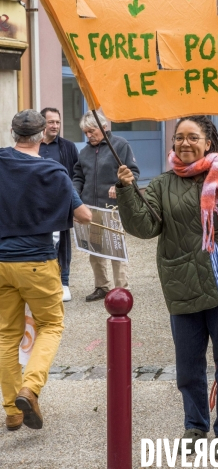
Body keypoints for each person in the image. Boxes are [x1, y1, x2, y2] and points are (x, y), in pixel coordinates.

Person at [115, 115, 218, 454]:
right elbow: (144, 227)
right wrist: (127, 192)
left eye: (193, 137)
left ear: (207, 142)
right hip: (181, 284)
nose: (185, 143)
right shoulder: (160, 185)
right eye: (179, 137)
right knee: (188, 365)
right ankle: (195, 427)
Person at [0, 110, 92, 432]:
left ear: (13, 134)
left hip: (1, 263)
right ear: (41, 136)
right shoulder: (54, 170)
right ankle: (31, 388)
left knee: (6, 335)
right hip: (37, 261)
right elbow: (83, 216)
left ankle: (12, 411)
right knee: (51, 325)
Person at [73, 110, 140, 302]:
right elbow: (78, 176)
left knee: (116, 249)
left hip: (113, 208)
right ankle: (102, 286)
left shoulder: (120, 145)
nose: (89, 135)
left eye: (92, 131)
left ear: (104, 127)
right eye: (86, 132)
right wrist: (76, 195)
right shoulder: (84, 152)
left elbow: (133, 173)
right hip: (90, 208)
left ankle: (122, 290)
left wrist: (118, 186)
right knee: (94, 249)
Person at [40, 107, 79, 302]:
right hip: (37, 206)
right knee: (42, 242)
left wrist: (76, 198)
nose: (55, 126)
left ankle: (64, 283)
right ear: (42, 124)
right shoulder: (34, 146)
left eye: (57, 122)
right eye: (51, 122)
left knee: (63, 244)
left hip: (61, 205)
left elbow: (77, 173)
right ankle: (45, 282)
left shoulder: (68, 147)